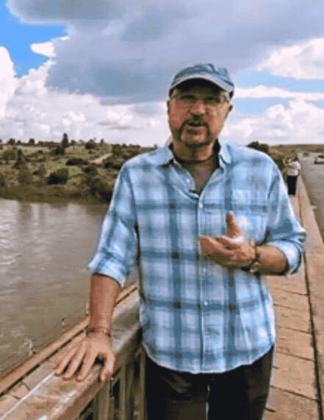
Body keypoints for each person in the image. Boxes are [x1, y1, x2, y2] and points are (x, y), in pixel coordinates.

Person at [53, 63, 305, 420]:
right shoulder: (137, 175)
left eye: (211, 100)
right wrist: (98, 332)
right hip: (172, 356)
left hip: (247, 348)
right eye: (187, 98)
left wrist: (252, 256)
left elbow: (293, 247)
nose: (198, 110)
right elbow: (111, 256)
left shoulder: (260, 169)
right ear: (169, 107)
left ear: (227, 110)